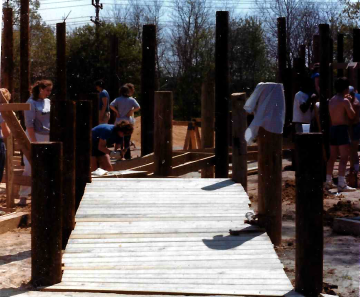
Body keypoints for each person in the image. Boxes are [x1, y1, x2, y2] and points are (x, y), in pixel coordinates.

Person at [19, 80, 53, 203]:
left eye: (50, 90)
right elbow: (29, 124)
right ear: (40, 89)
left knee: (45, 165)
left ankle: (43, 193)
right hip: (35, 136)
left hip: (47, 136)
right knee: (29, 165)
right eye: (47, 90)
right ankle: (23, 195)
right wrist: (33, 142)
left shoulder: (48, 101)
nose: (49, 93)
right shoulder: (31, 102)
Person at [326, 77, 356, 192]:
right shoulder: (345, 101)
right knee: (344, 157)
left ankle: (328, 181)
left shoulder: (332, 100)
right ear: (345, 88)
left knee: (332, 157)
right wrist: (351, 101)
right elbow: (352, 115)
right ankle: (341, 183)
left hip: (333, 129)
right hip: (342, 129)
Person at [109, 84, 140, 159]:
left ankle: (119, 155)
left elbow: (111, 105)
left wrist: (116, 112)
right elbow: (138, 107)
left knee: (119, 138)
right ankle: (127, 155)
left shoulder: (118, 99)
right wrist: (131, 111)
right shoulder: (131, 100)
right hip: (128, 120)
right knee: (127, 139)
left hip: (119, 120)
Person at [348, 86, 360, 175]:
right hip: (351, 127)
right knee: (351, 150)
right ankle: (354, 168)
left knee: (353, 149)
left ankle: (355, 169)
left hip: (354, 126)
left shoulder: (355, 103)